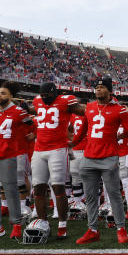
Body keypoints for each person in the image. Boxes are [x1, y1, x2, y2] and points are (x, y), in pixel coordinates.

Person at [70, 76, 128, 245]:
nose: (98, 89)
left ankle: (121, 228)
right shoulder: (89, 107)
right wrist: (72, 143)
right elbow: (83, 130)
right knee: (90, 197)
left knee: (113, 194)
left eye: (102, 87)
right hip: (89, 157)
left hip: (109, 156)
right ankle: (93, 230)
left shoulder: (119, 110)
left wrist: (122, 135)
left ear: (110, 90)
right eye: (96, 87)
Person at [0, 82, 35, 239]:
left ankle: (16, 224)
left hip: (7, 155)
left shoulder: (19, 112)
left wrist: (32, 135)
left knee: (11, 191)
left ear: (10, 96)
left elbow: (34, 125)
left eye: (3, 93)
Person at [31, 81, 84, 241]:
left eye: (48, 96)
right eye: (43, 96)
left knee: (58, 188)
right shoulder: (37, 101)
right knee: (38, 188)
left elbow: (85, 113)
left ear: (55, 93)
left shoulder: (65, 101)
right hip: (39, 149)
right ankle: (43, 223)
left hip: (57, 149)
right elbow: (37, 110)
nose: (45, 98)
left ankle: (62, 225)